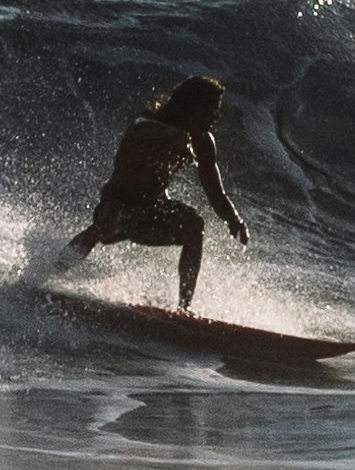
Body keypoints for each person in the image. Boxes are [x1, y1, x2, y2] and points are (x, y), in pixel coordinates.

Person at [66, 75, 251, 308]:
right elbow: (141, 130)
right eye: (211, 110)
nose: (216, 116)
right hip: (118, 204)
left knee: (193, 225)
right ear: (192, 108)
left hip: (152, 211)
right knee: (107, 223)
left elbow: (215, 192)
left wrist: (234, 219)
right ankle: (47, 273)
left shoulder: (202, 142)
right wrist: (168, 134)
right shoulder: (149, 123)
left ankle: (184, 309)